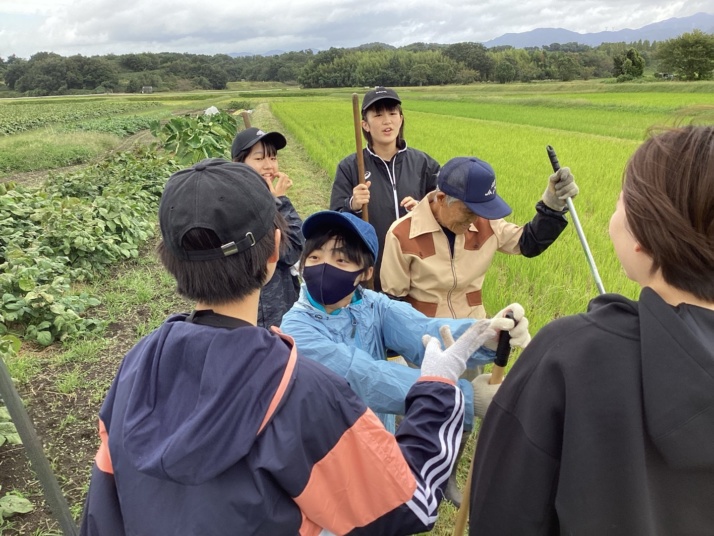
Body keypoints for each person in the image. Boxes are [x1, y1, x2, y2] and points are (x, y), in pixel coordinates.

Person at [78, 159, 502, 536]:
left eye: (342, 259)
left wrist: (486, 333)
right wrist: (446, 392)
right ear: (276, 254)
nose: (326, 268)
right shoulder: (298, 386)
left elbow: (102, 509)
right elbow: (406, 502)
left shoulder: (135, 367)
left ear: (168, 260)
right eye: (318, 256)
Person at [469, 125, 714, 535]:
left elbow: (505, 515)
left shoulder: (568, 357)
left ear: (641, 233)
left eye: (621, 203)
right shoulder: (405, 229)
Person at [381, 155, 578, 320]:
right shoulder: (401, 234)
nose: (474, 219)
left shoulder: (486, 224)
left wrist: (552, 206)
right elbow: (393, 303)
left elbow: (529, 243)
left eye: (481, 210)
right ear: (441, 199)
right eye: (468, 211)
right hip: (425, 340)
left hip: (473, 334)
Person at [330, 86, 440, 291]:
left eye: (392, 113)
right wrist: (352, 204)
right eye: (378, 115)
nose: (387, 120)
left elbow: (444, 208)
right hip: (371, 270)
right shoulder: (350, 167)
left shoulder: (424, 163)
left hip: (418, 271)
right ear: (365, 124)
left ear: (401, 119)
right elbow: (334, 217)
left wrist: (423, 208)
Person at [232, 126, 303, 329]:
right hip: (263, 314)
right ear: (239, 164)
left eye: (272, 158)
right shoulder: (242, 206)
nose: (269, 166)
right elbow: (292, 250)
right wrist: (279, 201)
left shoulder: (257, 199)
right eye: (259, 158)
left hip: (278, 306)